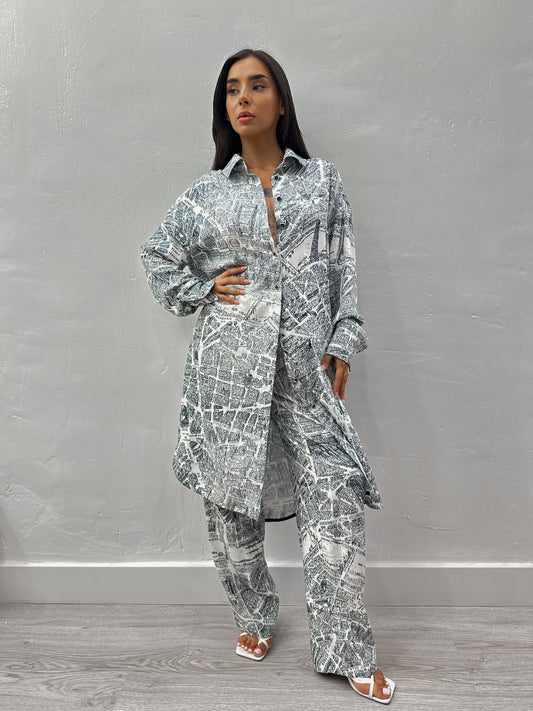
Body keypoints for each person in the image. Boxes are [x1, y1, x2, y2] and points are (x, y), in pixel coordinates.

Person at [139, 48, 395, 704]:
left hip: (308, 369)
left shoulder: (322, 182)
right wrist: (202, 286)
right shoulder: (206, 194)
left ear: (280, 101)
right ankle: (254, 616)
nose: (243, 98)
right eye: (232, 89)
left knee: (334, 497)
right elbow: (157, 255)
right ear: (223, 106)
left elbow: (342, 263)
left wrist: (343, 338)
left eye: (257, 86)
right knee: (230, 509)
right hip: (228, 373)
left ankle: (345, 646)